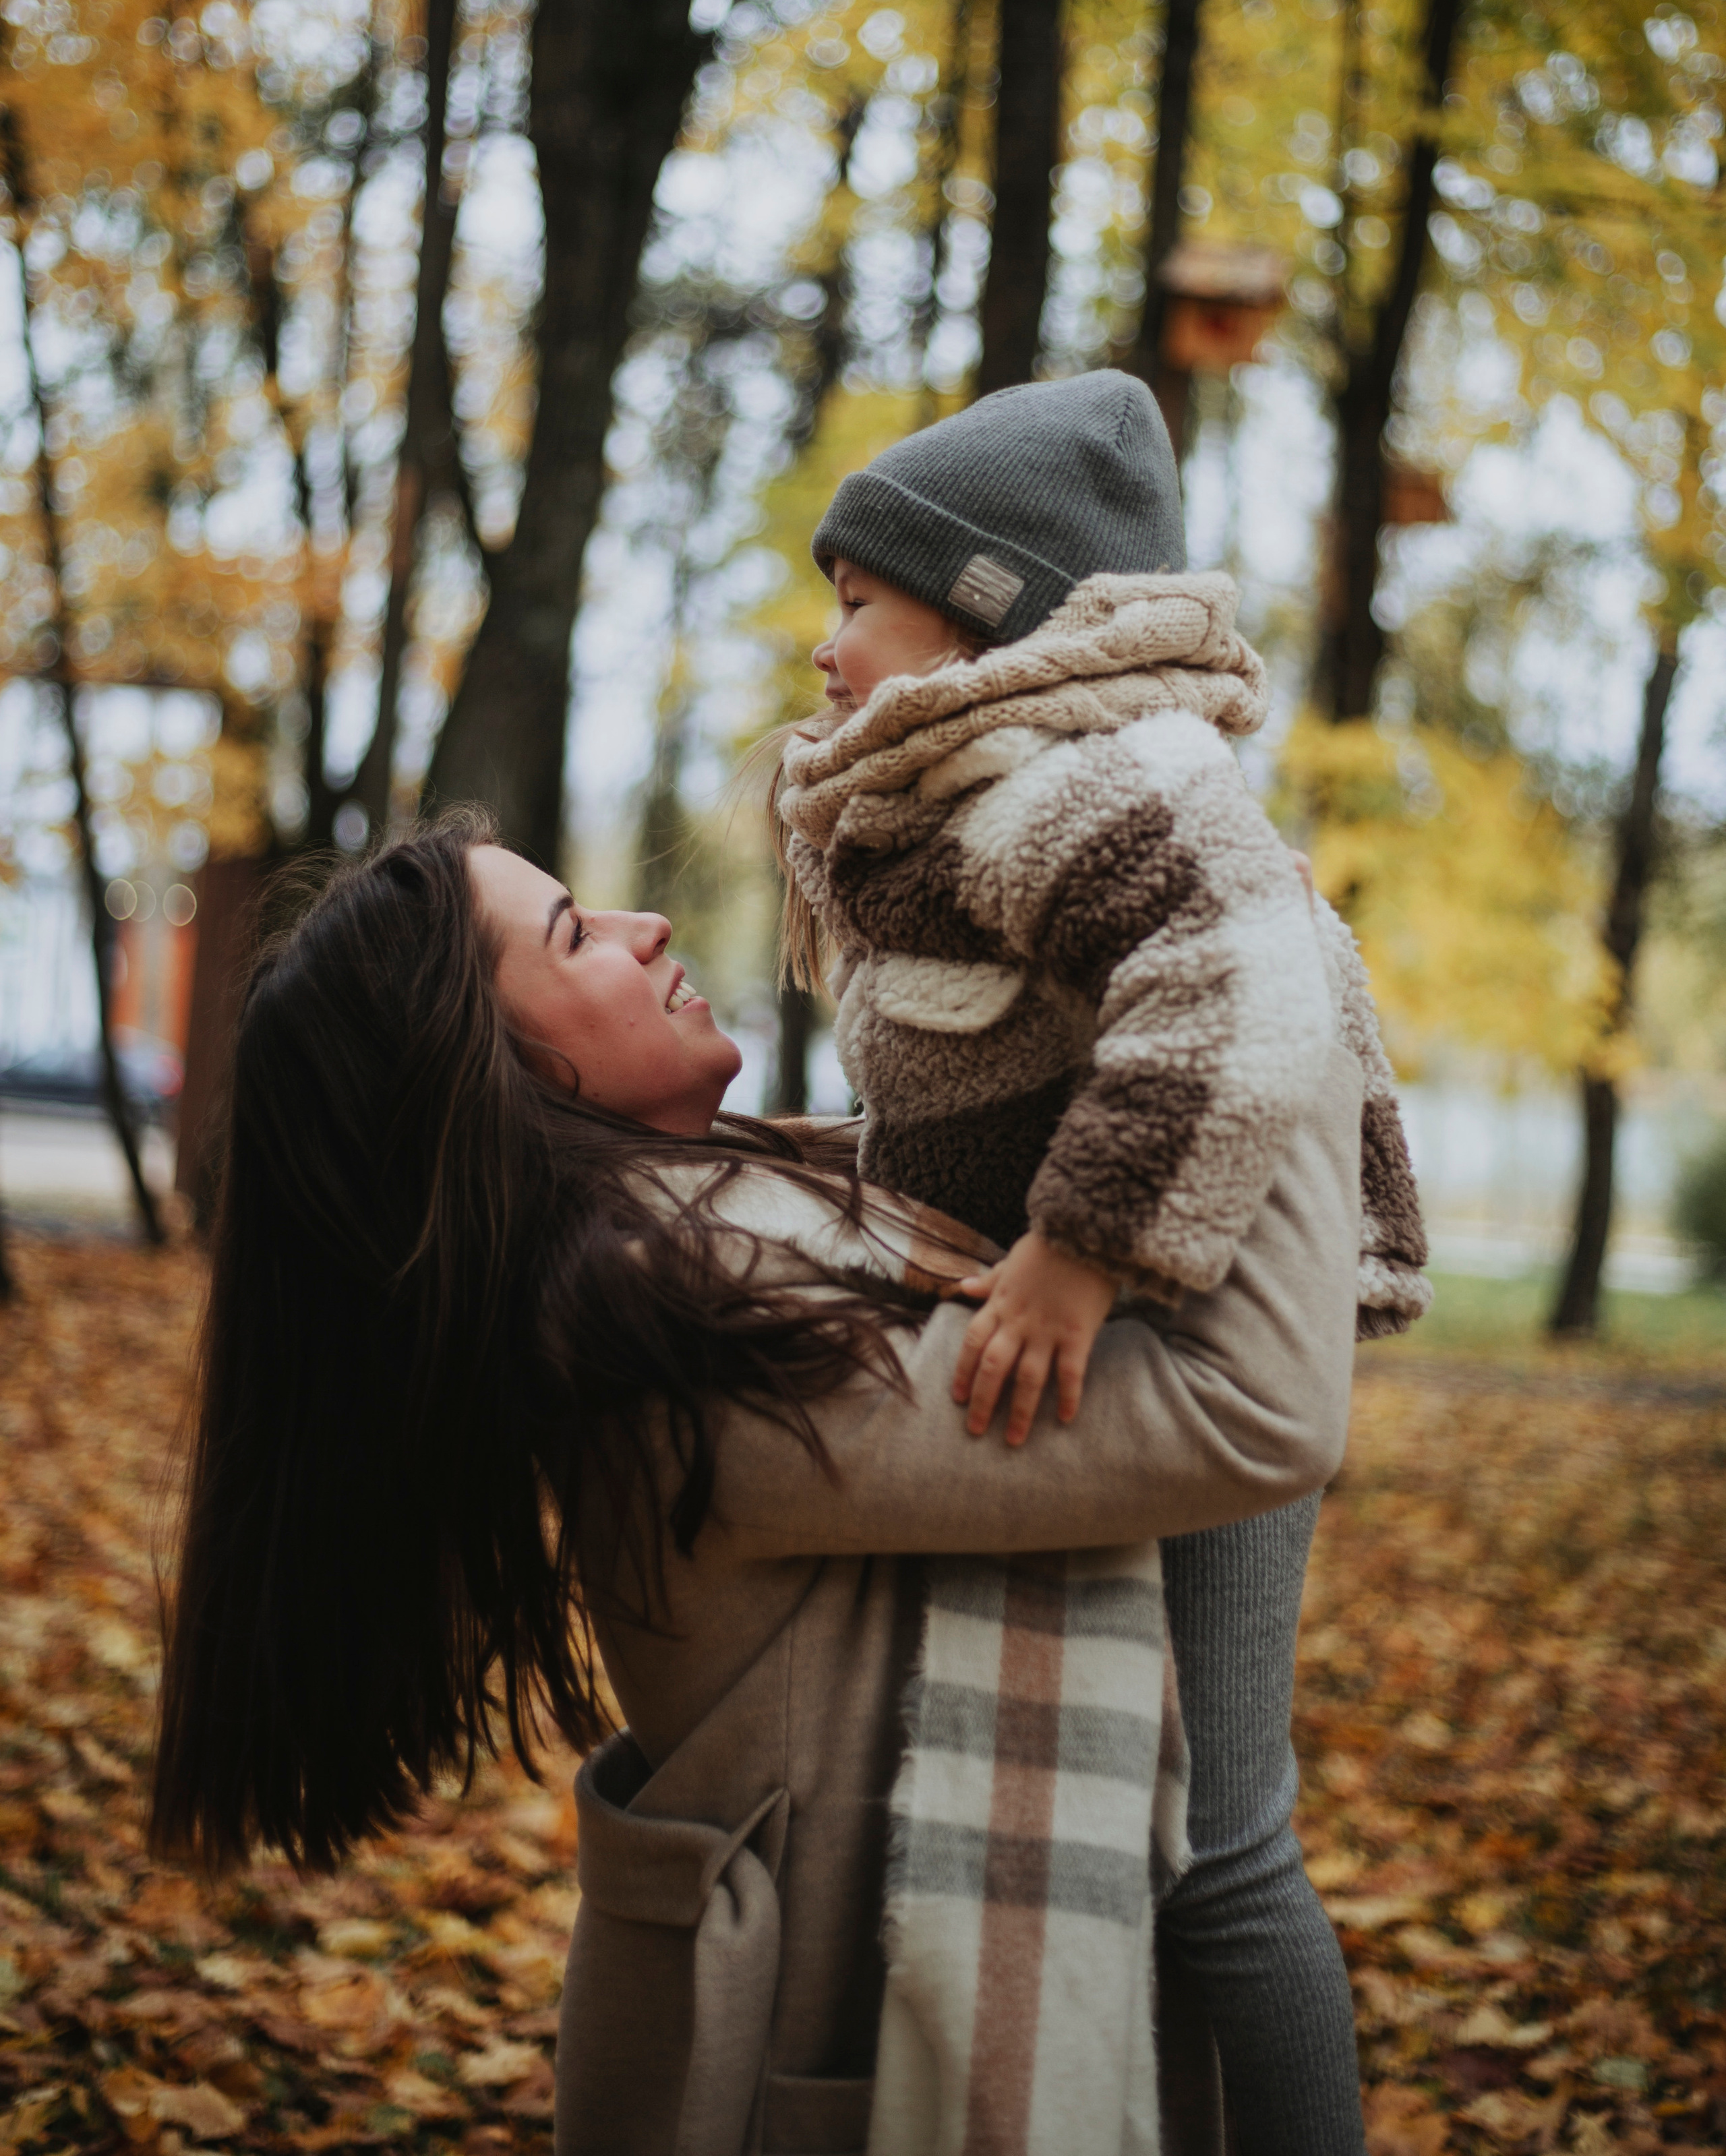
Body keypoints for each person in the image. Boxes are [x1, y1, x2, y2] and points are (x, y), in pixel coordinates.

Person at [149, 812, 1365, 2155]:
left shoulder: (748, 1201)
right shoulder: (684, 1337)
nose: (643, 925)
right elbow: (1252, 1411)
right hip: (856, 2078)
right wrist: (1271, 983)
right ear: (490, 1075)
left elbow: (1022, 1164)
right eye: (574, 936)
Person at [772, 368, 1431, 2155]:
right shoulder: (981, 781)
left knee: (1219, 1843)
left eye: (856, 602)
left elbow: (1236, 975)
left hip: (1202, 1327)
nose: (826, 651)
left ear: (985, 605)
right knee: (1116, 1834)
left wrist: (1079, 1248)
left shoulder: (1090, 773)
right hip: (1120, 1337)